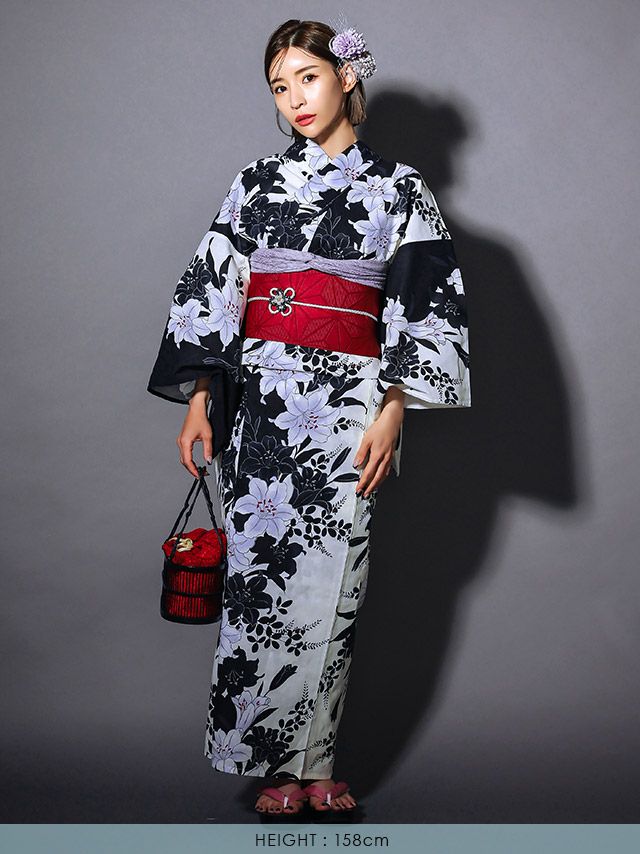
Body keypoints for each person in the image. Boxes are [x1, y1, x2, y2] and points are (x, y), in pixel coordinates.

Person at [147, 16, 471, 818]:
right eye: (279, 86)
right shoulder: (255, 184)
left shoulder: (400, 189)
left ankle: (318, 760)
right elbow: (215, 291)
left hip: (352, 408)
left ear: (346, 77)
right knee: (261, 589)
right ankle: (274, 768)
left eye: (308, 77)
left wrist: (394, 410)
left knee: (336, 589)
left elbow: (422, 303)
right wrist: (200, 400)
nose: (295, 98)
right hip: (264, 409)